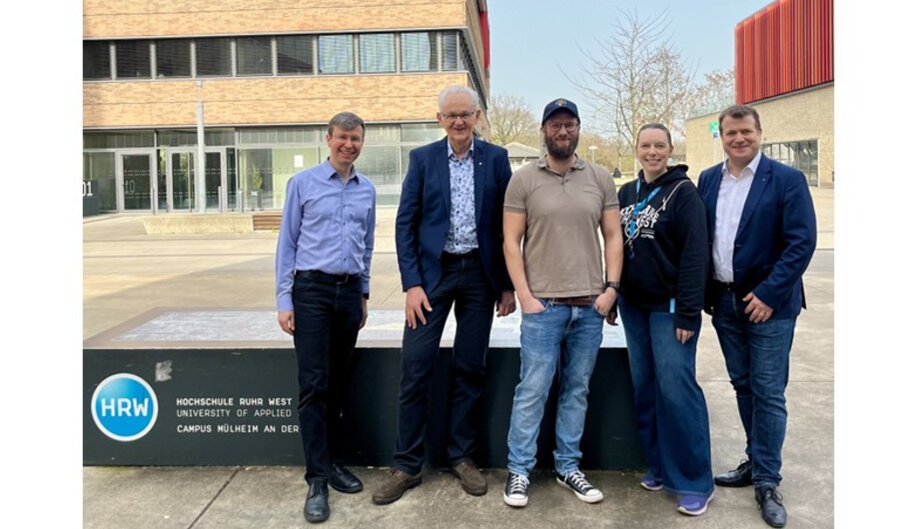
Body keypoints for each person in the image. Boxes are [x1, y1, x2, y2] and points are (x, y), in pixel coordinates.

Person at [372, 85, 515, 505]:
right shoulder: (422, 160)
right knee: (416, 366)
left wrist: (505, 284)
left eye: (465, 114)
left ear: (477, 117)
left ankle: (461, 456)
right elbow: (406, 224)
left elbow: (508, 226)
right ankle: (406, 464)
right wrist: (412, 284)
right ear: (439, 119)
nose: (458, 121)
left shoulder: (497, 159)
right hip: (432, 278)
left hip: (478, 276)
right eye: (451, 115)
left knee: (470, 368)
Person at [698, 105, 816, 528]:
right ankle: (755, 459)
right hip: (726, 304)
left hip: (769, 306)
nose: (738, 139)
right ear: (723, 136)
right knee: (743, 386)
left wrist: (768, 293)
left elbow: (801, 243)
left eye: (746, 131)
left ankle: (767, 480)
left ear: (760, 133)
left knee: (768, 391)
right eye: (731, 133)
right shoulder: (709, 180)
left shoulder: (786, 180)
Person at [501, 98, 622, 508]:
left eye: (570, 125)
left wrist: (611, 288)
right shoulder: (523, 181)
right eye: (556, 125)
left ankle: (568, 466)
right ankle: (519, 471)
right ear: (544, 130)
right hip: (544, 308)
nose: (563, 132)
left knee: (576, 390)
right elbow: (510, 243)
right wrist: (525, 296)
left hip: (590, 306)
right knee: (532, 389)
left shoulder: (600, 178)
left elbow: (613, 237)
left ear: (578, 129)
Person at [275, 112, 376, 524]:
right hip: (312, 291)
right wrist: (285, 298)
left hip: (349, 292)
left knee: (337, 384)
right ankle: (316, 478)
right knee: (314, 386)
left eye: (355, 139)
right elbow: (288, 242)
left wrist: (365, 292)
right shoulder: (302, 184)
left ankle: (332, 463)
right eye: (342, 138)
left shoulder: (367, 190)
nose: (348, 145)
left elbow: (367, 244)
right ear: (328, 138)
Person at [615, 123, 713, 516]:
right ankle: (658, 464)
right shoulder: (626, 192)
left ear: (671, 149)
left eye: (660, 145)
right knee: (646, 388)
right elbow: (617, 245)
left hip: (670, 308)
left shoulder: (683, 194)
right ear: (636, 149)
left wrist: (688, 311)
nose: (652, 151)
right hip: (633, 306)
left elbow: (695, 256)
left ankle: (694, 481)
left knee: (677, 390)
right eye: (645, 145)